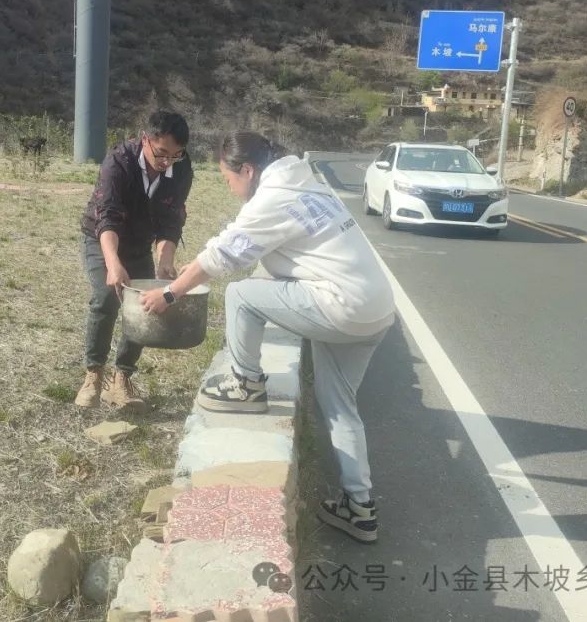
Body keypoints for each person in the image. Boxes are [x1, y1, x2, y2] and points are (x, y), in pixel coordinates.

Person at [139, 131, 395, 544]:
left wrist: (170, 293)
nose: (229, 187)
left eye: (228, 179)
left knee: (242, 294)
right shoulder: (307, 185)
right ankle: (360, 508)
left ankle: (245, 384)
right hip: (375, 310)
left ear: (247, 170)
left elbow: (223, 254)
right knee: (339, 406)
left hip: (342, 305)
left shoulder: (274, 197)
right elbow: (239, 243)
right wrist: (193, 268)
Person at [75, 111, 194, 410]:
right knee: (106, 296)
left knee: (143, 304)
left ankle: (122, 379)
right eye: (161, 153)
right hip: (102, 238)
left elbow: (171, 220)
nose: (167, 162)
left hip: (140, 243)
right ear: (145, 140)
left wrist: (165, 259)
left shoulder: (181, 169)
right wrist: (113, 263)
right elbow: (107, 215)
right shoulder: (119, 162)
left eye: (176, 155)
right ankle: (94, 374)